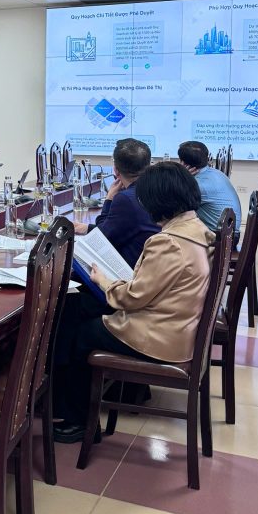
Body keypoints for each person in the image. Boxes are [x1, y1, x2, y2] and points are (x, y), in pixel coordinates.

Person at [52, 162, 214, 442]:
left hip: (158, 336)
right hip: (177, 326)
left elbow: (131, 298)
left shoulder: (169, 242)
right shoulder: (197, 228)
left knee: (79, 332)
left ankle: (78, 421)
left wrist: (104, 281)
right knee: (76, 309)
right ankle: (68, 402)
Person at [74, 138, 160, 268]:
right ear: (149, 165)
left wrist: (109, 199)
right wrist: (87, 228)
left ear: (116, 170)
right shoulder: (158, 188)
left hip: (131, 273)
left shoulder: (126, 199)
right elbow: (117, 228)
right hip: (155, 266)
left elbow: (101, 240)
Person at [177, 140, 242, 241]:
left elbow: (175, 208)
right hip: (230, 235)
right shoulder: (217, 173)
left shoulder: (198, 185)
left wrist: (182, 176)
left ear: (183, 163)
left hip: (219, 240)